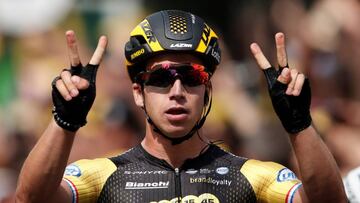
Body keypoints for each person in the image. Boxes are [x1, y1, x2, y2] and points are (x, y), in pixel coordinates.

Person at [15, 10, 346, 203]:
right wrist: (64, 120)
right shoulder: (103, 176)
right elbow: (30, 200)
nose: (177, 90)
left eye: (191, 76)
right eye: (160, 79)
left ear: (207, 89)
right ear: (138, 92)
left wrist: (300, 124)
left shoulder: (252, 176)